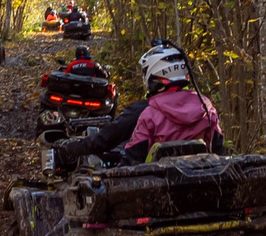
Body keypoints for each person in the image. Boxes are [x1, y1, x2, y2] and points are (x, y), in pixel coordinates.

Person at [51, 41, 225, 170]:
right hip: (202, 187)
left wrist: (71, 147)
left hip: (155, 192)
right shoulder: (207, 109)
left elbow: (129, 159)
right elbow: (220, 154)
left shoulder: (148, 113)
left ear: (152, 74)